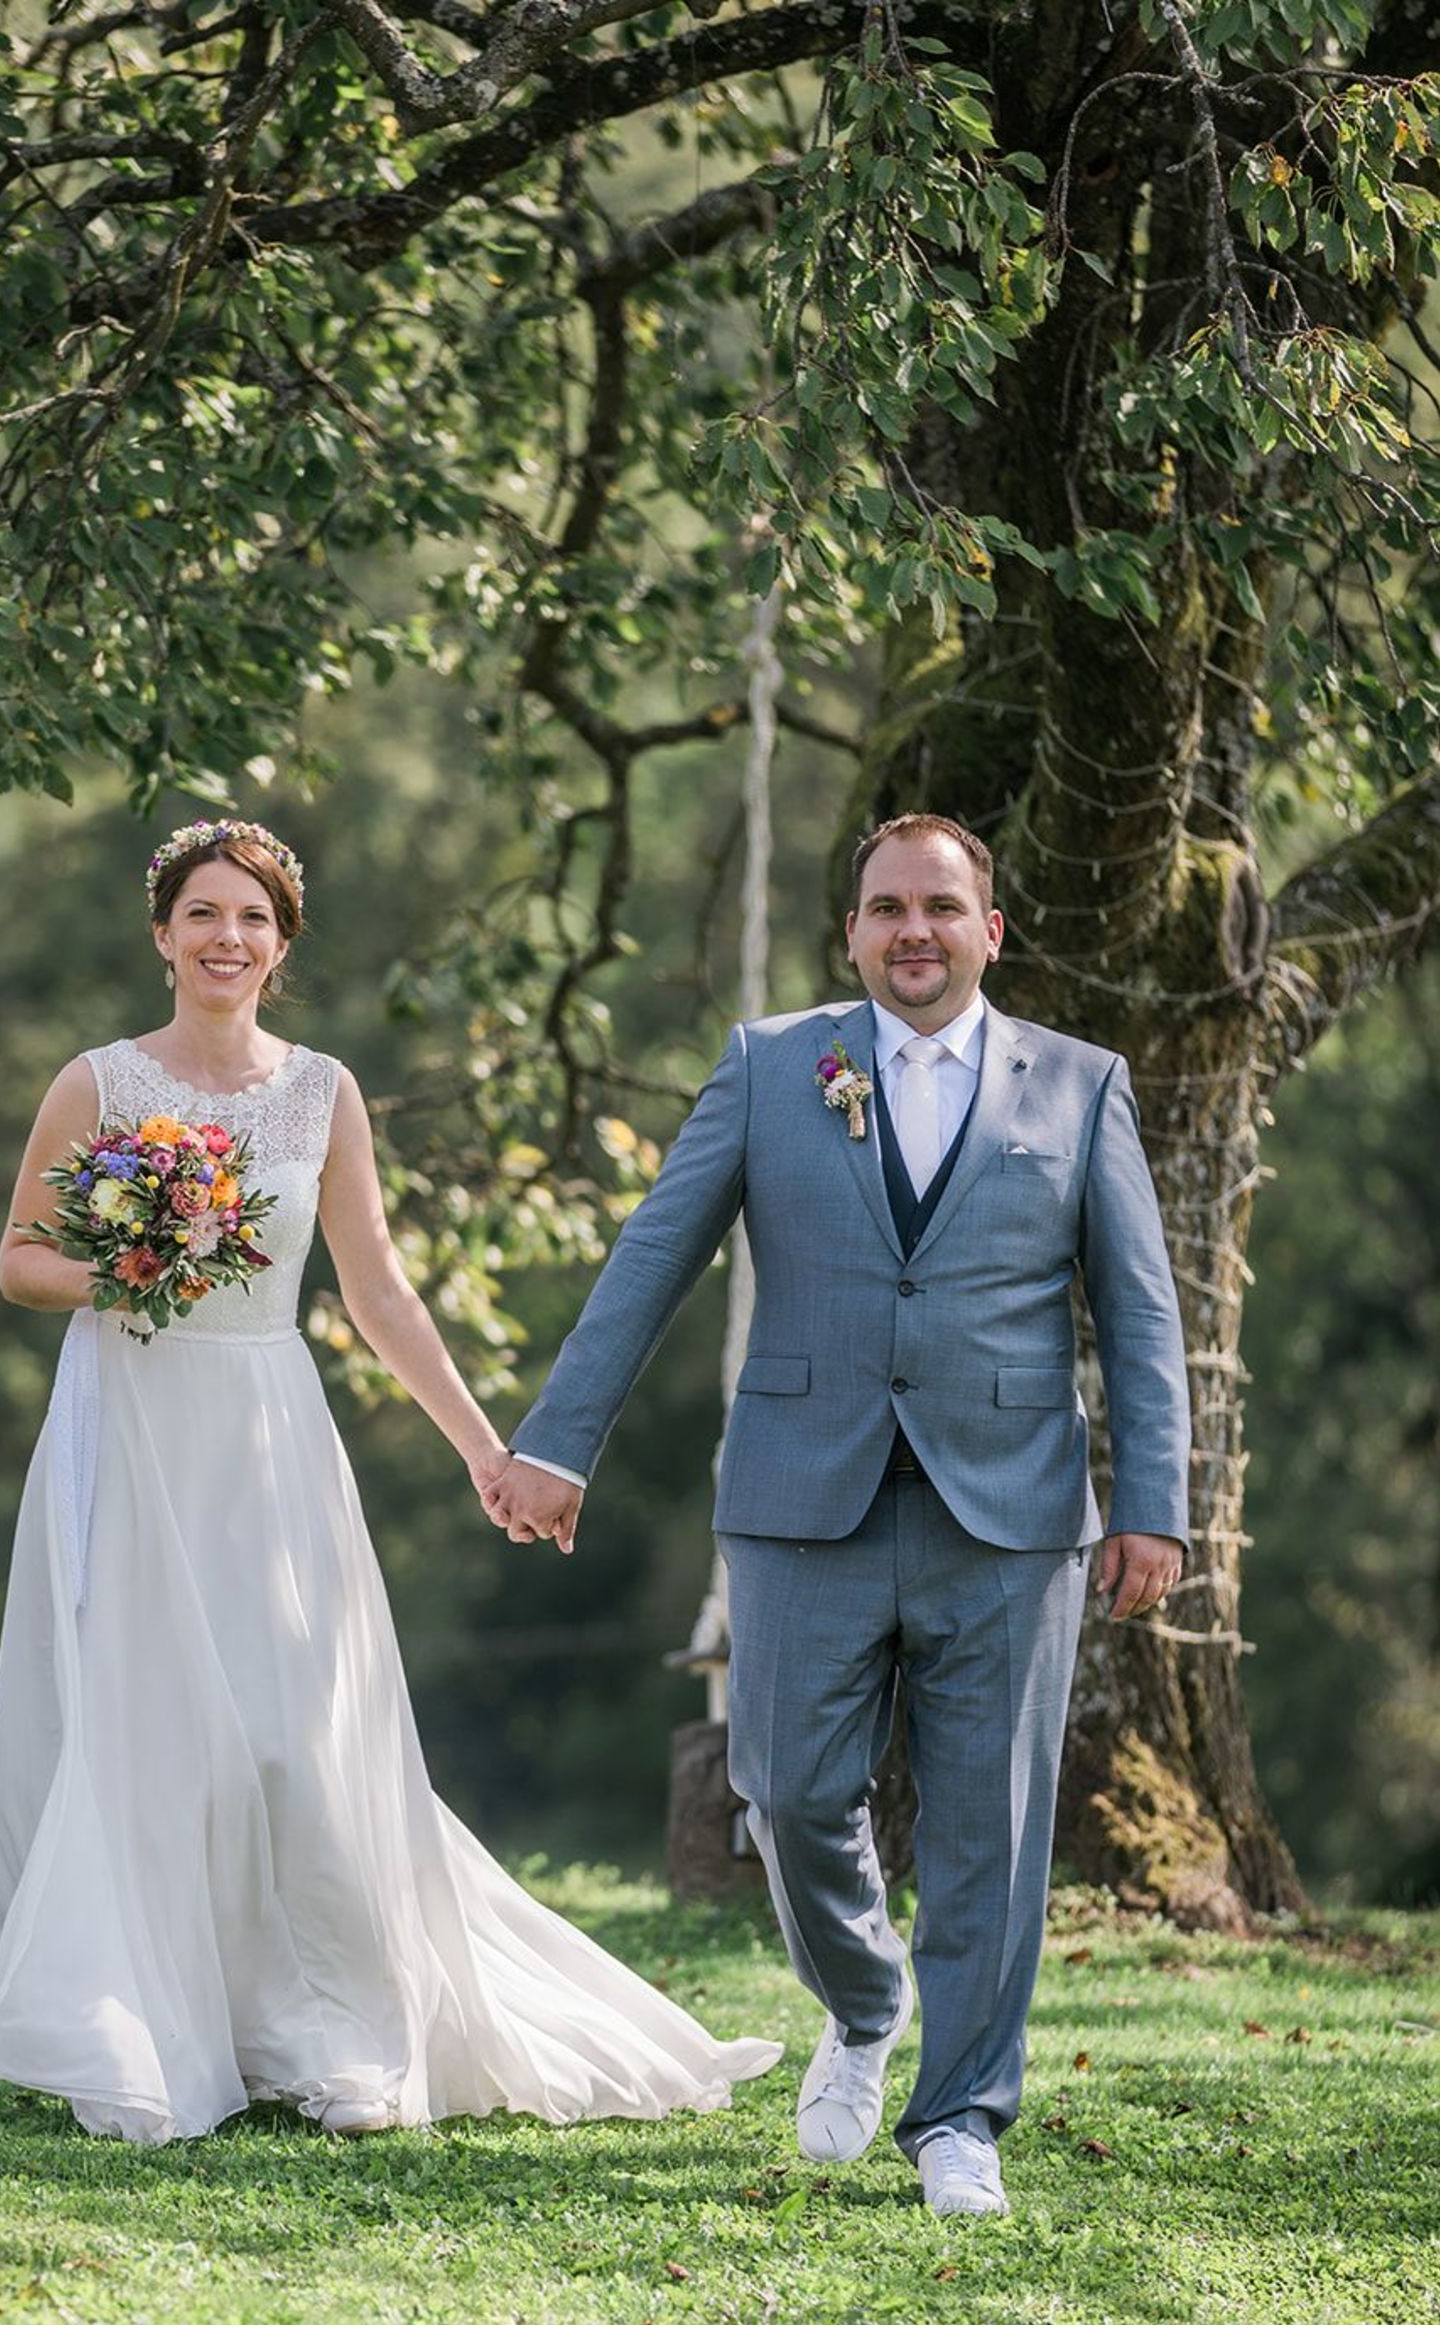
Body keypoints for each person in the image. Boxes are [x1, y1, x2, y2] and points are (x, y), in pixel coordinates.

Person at [0, 820, 780, 2141]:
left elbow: (378, 1290)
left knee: (300, 1732)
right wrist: (137, 1259)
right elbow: (20, 1261)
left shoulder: (321, 1091)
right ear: (162, 934)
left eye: (253, 918)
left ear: (282, 946)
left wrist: (486, 1449)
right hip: (133, 1423)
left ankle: (336, 2029)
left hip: (267, 1432)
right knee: (155, 1729)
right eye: (203, 913)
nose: (227, 938)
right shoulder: (98, 1082)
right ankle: (154, 2025)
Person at [484, 812, 1190, 2216]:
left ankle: (961, 2120)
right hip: (803, 1497)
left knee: (991, 1828)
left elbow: (1139, 1308)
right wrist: (559, 1442)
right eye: (886, 908)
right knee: (787, 1789)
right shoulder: (771, 1066)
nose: (913, 930)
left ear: (991, 929)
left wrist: (1154, 1503)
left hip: (1012, 1511)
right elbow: (654, 1253)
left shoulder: (1081, 1083)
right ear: (852, 933)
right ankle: (864, 2002)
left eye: (941, 906)